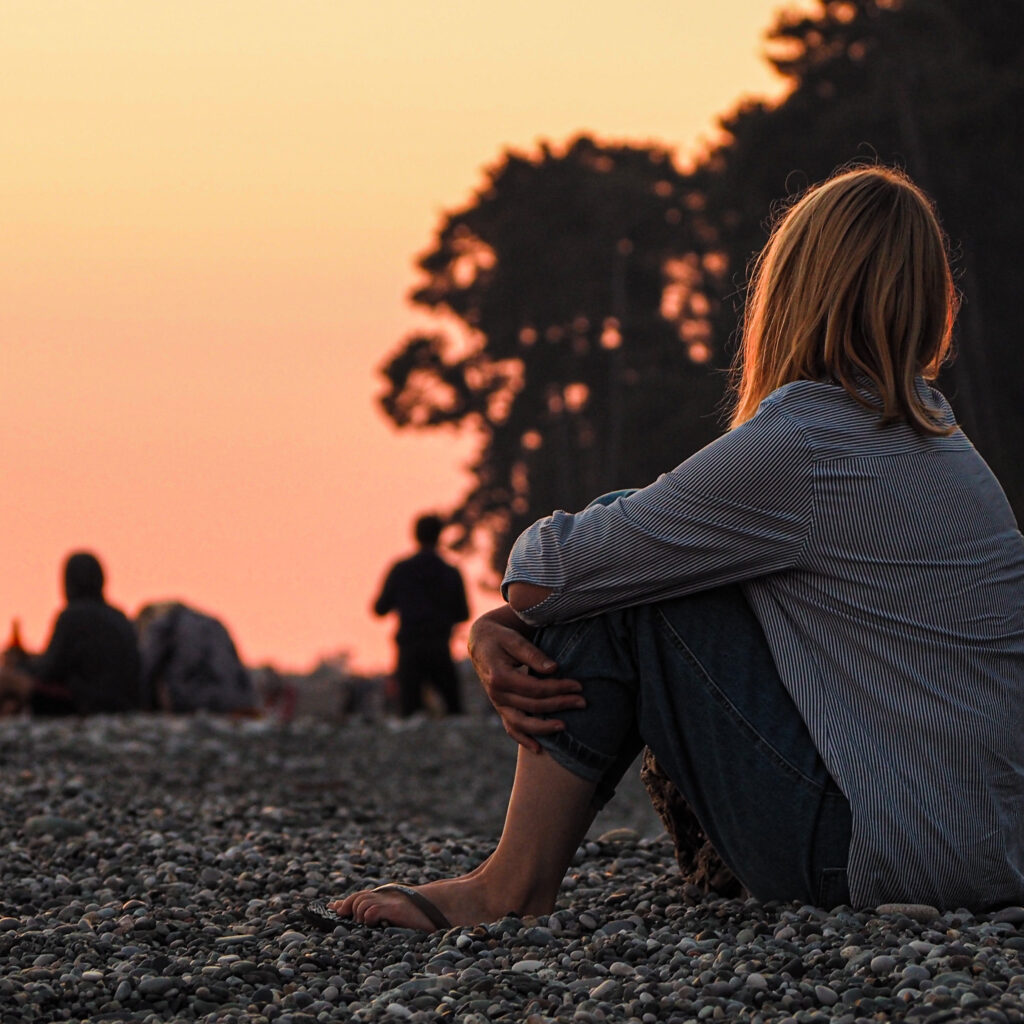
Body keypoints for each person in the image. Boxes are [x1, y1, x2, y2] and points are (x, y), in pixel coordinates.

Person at [324, 166, 1024, 931]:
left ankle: (510, 887)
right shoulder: (942, 441)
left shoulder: (805, 438)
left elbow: (550, 574)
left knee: (630, 593)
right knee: (645, 561)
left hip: (880, 857)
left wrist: (501, 622)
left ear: (790, 292)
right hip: (991, 856)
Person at [0, 551, 143, 715]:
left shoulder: (73, 616)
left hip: (86, 703)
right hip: (124, 704)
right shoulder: (119, 616)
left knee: (8, 681)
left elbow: (49, 670)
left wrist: (20, 666)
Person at [373, 513, 470, 717]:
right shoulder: (450, 572)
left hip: (410, 647)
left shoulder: (401, 569)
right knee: (454, 711)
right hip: (439, 646)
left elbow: (379, 609)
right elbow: (463, 613)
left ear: (415, 535)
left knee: (409, 712)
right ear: (440, 536)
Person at [136, 600, 258, 714]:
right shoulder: (213, 623)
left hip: (194, 703)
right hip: (237, 701)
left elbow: (147, 670)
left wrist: (145, 708)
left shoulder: (165, 624)